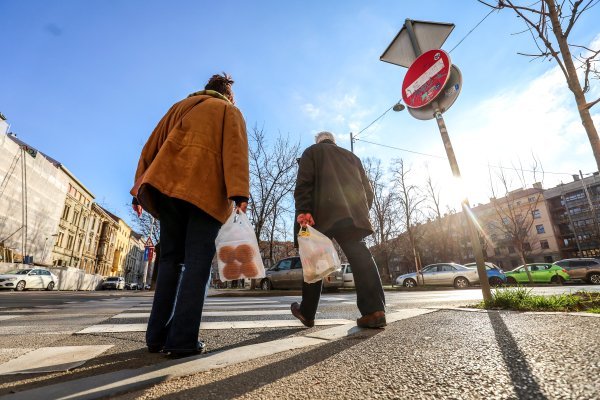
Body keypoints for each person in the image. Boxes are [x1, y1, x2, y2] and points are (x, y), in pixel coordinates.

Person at [131, 73, 249, 357]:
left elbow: (151, 146)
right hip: (204, 192)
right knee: (197, 262)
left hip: (167, 188)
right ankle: (182, 339)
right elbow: (235, 152)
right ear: (228, 95)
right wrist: (239, 194)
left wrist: (138, 188)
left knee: (170, 260)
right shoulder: (228, 111)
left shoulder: (178, 107)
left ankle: (156, 336)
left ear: (205, 89)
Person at [291, 131, 386, 329]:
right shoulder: (352, 157)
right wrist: (361, 212)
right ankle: (374, 311)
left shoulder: (312, 152)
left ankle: (307, 313)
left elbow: (304, 184)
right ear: (334, 142)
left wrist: (303, 210)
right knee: (361, 256)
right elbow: (368, 191)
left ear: (318, 141)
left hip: (320, 213)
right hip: (351, 214)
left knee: (314, 260)